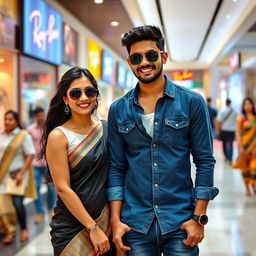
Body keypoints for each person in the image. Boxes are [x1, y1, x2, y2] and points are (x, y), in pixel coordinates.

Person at [107, 25, 219, 256]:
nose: (144, 62)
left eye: (151, 55)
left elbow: (205, 161)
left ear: (163, 56)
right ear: (130, 62)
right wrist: (115, 221)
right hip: (135, 223)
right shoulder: (118, 109)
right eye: (136, 58)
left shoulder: (191, 102)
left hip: (180, 221)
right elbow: (116, 167)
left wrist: (198, 218)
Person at [40, 67, 114, 256]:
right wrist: (92, 228)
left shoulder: (107, 129)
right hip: (73, 228)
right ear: (65, 98)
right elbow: (63, 188)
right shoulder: (59, 136)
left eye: (90, 91)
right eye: (75, 93)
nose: (84, 98)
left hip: (108, 223)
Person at [0, 110, 36, 244]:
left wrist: (21, 173)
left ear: (17, 121)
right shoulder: (1, 135)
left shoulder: (23, 135)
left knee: (17, 203)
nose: (7, 122)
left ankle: (24, 229)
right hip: (3, 175)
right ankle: (9, 231)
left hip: (17, 174)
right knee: (4, 204)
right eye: (5, 119)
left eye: (10, 119)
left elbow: (30, 154)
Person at [27, 107, 56, 224]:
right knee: (36, 188)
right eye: (38, 115)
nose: (40, 117)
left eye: (42, 115)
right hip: (35, 163)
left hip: (49, 162)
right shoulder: (30, 130)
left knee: (51, 188)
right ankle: (40, 212)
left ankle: (51, 209)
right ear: (34, 116)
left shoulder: (50, 128)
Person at [234, 97, 256, 196]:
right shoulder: (240, 118)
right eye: (245, 104)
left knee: (254, 166)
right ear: (243, 106)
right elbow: (237, 133)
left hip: (254, 147)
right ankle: (247, 187)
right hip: (243, 147)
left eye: (250, 104)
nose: (248, 106)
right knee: (245, 168)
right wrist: (241, 146)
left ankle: (253, 184)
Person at [216, 99, 237, 164]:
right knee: (230, 143)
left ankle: (226, 156)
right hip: (232, 130)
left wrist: (218, 130)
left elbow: (218, 121)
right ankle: (230, 158)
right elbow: (236, 121)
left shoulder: (222, 111)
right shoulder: (234, 112)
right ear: (230, 103)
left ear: (226, 103)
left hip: (224, 130)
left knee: (224, 143)